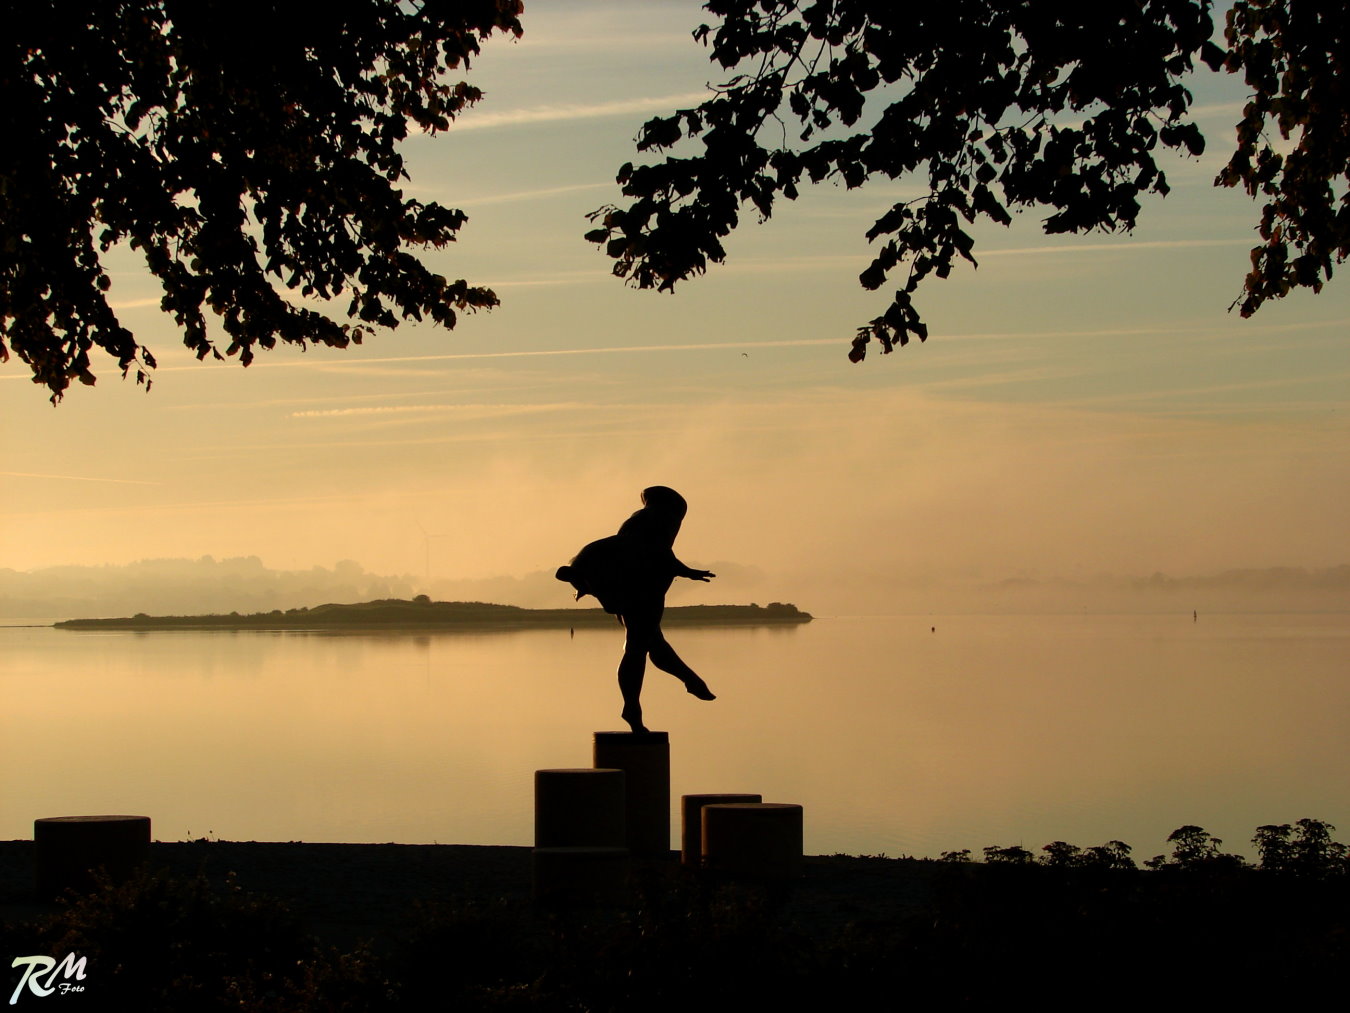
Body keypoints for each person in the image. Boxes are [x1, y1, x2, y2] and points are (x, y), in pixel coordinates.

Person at [556, 486, 716, 732]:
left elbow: (657, 553)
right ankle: (643, 702)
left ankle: (686, 683)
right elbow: (655, 552)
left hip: (627, 581)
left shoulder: (647, 521)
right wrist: (687, 572)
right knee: (639, 645)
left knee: (649, 641)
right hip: (633, 585)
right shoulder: (653, 518)